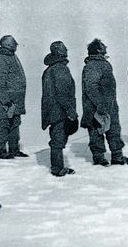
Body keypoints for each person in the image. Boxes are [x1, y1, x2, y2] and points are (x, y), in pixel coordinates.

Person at [81, 39, 128, 166]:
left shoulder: (104, 64)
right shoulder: (92, 65)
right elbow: (91, 87)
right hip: (95, 107)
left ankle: (117, 157)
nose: (106, 47)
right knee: (96, 131)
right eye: (103, 46)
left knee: (114, 129)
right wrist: (99, 105)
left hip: (110, 106)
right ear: (98, 49)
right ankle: (99, 158)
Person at [41, 41, 77, 177]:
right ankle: (57, 168)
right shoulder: (60, 68)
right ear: (58, 51)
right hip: (59, 111)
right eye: (63, 47)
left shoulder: (50, 69)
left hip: (53, 110)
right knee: (58, 139)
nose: (66, 49)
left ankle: (58, 166)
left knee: (57, 138)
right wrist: (70, 110)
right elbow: (62, 93)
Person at [0, 35, 28, 159]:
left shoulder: (12, 57)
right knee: (3, 123)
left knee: (14, 124)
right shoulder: (0, 60)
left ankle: (14, 149)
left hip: (14, 102)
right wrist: (7, 102)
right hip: (3, 103)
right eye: (14, 43)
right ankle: (0, 151)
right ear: (7, 45)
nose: (16, 44)